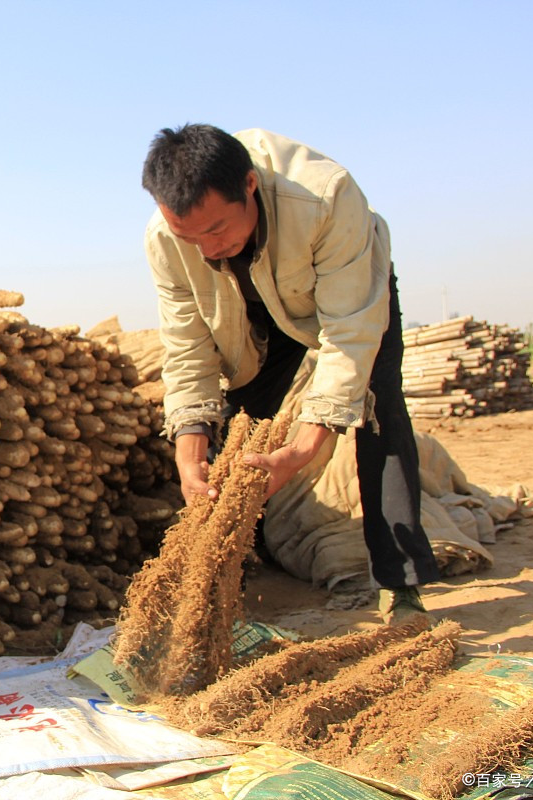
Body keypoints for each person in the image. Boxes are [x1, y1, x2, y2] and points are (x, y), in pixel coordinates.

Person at [141, 124, 438, 623]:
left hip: (348, 296)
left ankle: (401, 582)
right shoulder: (168, 240)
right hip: (251, 308)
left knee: (377, 410)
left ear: (250, 187)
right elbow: (188, 347)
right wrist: (188, 450)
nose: (207, 249)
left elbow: (347, 337)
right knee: (242, 432)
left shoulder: (327, 197)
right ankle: (221, 580)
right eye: (188, 236)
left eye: (216, 230)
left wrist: (301, 450)